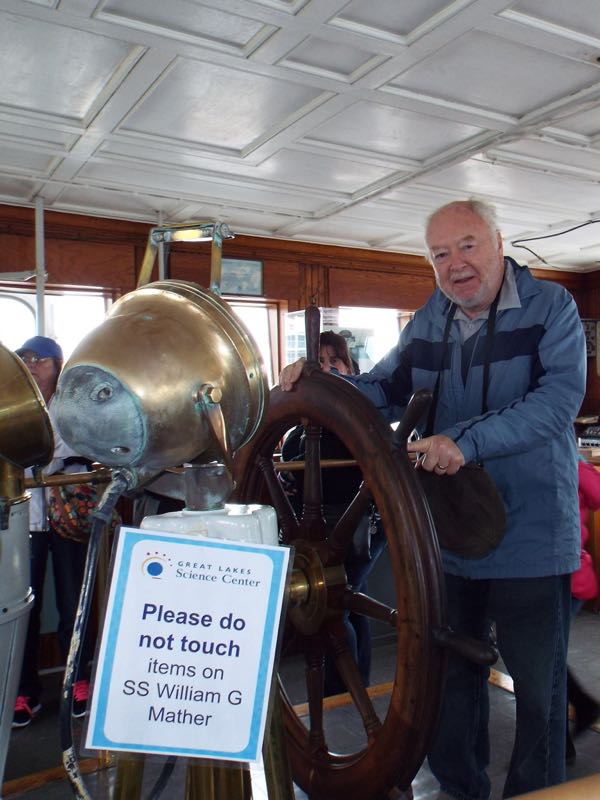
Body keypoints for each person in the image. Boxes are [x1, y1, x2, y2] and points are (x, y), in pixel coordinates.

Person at [280, 199, 586, 799]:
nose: (455, 264)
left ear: (499, 243)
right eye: (440, 255)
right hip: (448, 539)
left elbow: (558, 403)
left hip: (531, 538)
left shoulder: (553, 308)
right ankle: (459, 790)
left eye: (467, 246)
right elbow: (384, 390)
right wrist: (320, 384)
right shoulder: (430, 320)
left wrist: (465, 442)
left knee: (538, 692)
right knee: (449, 681)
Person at [280, 331, 386, 694]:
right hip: (324, 534)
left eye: (334, 361)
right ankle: (359, 686)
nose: (326, 369)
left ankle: (343, 691)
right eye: (318, 363)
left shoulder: (364, 424)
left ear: (350, 367)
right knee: (353, 604)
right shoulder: (296, 436)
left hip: (363, 531)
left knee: (336, 604)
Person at [12, 336, 93, 727]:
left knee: (72, 604)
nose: (30, 365)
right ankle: (24, 690)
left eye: (39, 359)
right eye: (24, 358)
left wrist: (42, 453)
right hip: (27, 520)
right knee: (25, 608)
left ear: (57, 366)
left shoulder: (72, 407)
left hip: (68, 518)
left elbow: (64, 447)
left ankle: (78, 681)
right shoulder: (12, 407)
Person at [566, 456, 600, 760]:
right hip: (567, 575)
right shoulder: (573, 463)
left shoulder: (570, 463)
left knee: (544, 659)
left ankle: (557, 744)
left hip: (567, 578)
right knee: (545, 658)